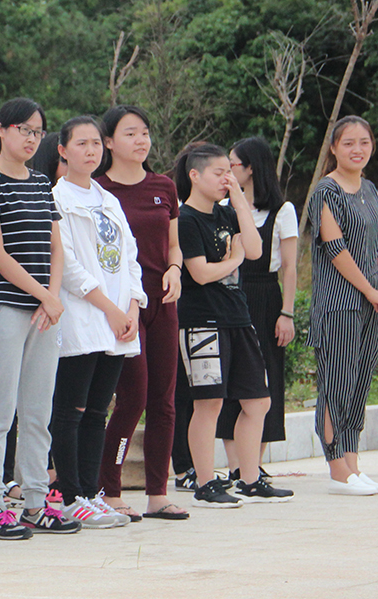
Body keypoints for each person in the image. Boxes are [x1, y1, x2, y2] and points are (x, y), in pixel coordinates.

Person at [0, 97, 77, 537]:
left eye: (37, 132)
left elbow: (56, 247)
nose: (31, 139)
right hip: (5, 307)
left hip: (44, 313)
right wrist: (43, 295)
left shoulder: (40, 183)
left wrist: (52, 296)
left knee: (37, 410)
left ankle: (36, 501)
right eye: (23, 130)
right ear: (1, 129)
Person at [173, 142, 290, 508]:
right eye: (218, 173)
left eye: (230, 171)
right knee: (208, 403)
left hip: (238, 317)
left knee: (258, 401)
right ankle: (205, 482)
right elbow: (200, 273)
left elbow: (254, 251)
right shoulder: (186, 219)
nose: (227, 178)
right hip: (202, 321)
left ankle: (249, 479)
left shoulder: (227, 213)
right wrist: (234, 259)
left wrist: (239, 201)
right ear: (195, 175)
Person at [49, 116, 143, 528]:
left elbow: (130, 257)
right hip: (85, 318)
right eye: (81, 144)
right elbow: (68, 266)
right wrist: (110, 308)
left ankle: (91, 492)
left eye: (95, 144)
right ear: (63, 150)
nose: (90, 151)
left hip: (118, 321)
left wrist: (133, 307)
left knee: (97, 412)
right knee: (71, 410)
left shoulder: (108, 200)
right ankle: (70, 496)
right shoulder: (57, 198)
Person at [95, 105, 186, 521]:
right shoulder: (98, 190)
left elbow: (173, 244)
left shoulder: (164, 186)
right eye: (130, 133)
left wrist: (175, 269)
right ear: (109, 142)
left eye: (144, 132)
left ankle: (158, 493)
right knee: (132, 398)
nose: (141, 140)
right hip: (122, 308)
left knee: (164, 401)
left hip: (162, 303)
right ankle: (109, 489)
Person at [308, 117, 378, 495]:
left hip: (373, 302)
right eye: (348, 143)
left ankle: (353, 465)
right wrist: (371, 291)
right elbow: (336, 249)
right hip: (339, 302)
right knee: (337, 383)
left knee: (359, 382)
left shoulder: (370, 189)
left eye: (364, 142)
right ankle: (337, 468)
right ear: (334, 148)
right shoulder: (325, 192)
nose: (357, 149)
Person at [218, 136, 297, 482]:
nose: (227, 171)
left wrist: (287, 313)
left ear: (250, 168)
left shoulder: (282, 211)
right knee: (228, 377)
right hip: (229, 293)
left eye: (232, 164)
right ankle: (236, 465)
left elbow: (290, 267)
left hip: (266, 298)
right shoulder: (223, 207)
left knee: (266, 379)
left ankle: (255, 462)